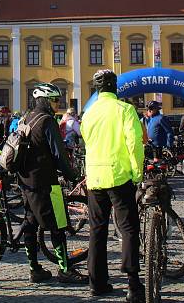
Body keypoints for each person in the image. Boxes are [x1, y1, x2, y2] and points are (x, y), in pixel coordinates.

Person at [81, 70, 145, 301]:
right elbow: (134, 144)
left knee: (97, 230)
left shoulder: (88, 113)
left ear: (97, 89)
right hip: (119, 177)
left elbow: (86, 141)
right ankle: (133, 284)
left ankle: (96, 283)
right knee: (128, 229)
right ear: (115, 87)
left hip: (95, 178)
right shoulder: (125, 110)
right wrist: (137, 173)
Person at [15, 83, 87, 284]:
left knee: (30, 222)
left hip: (26, 181)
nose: (59, 103)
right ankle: (64, 270)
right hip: (45, 182)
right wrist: (72, 175)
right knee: (58, 225)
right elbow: (59, 155)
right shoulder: (47, 121)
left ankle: (34, 268)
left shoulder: (27, 117)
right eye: (56, 99)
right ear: (46, 101)